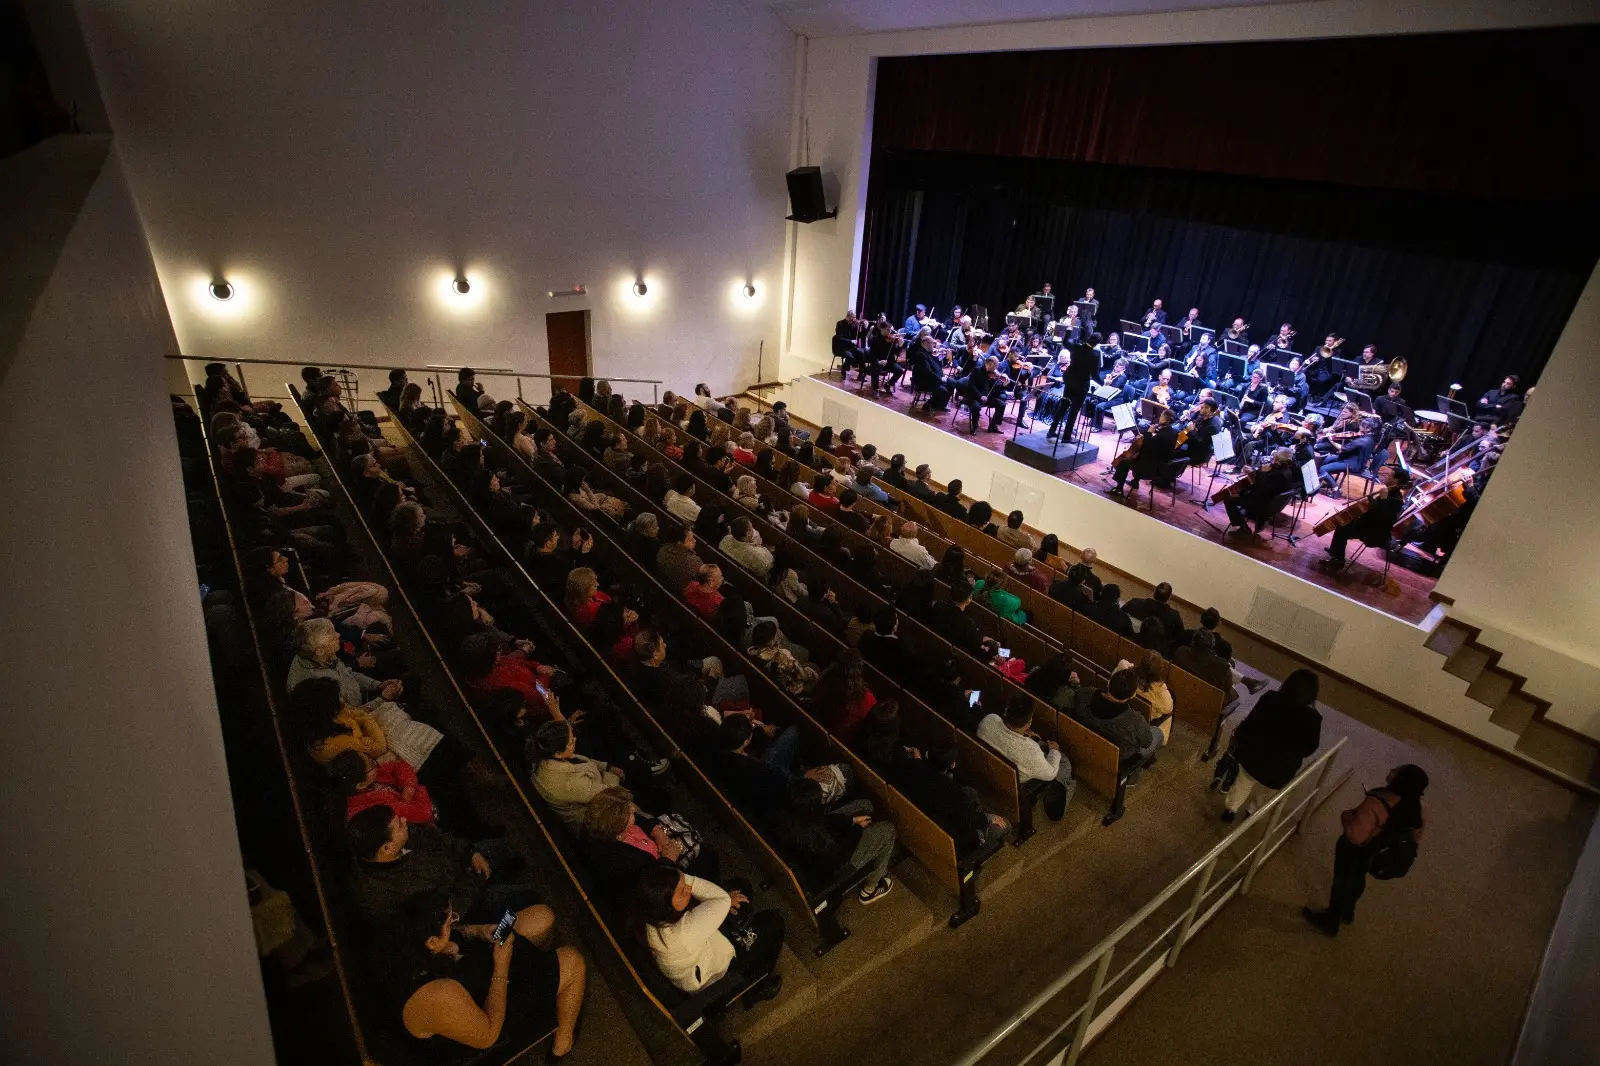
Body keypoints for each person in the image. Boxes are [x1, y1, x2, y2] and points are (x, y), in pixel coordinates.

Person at [389, 892, 585, 1059]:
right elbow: (488, 1035)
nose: (454, 922)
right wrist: (501, 965)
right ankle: (562, 1044)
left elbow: (456, 936)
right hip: (482, 1016)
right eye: (450, 922)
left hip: (476, 970)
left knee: (542, 916)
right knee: (572, 961)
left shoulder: (410, 941)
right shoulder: (435, 994)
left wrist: (477, 931)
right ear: (431, 941)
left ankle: (541, 975)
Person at [346, 805, 535, 926]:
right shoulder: (394, 889)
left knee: (500, 848)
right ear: (387, 848)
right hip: (466, 903)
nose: (404, 821)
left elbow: (438, 837)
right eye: (399, 825)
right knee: (525, 895)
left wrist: (470, 853)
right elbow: (451, 910)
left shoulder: (395, 841)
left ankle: (506, 873)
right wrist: (476, 877)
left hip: (462, 866)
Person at [1303, 764, 1429, 936]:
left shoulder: (1376, 801)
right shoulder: (1418, 807)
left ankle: (1331, 920)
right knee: (1358, 880)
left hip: (1355, 850)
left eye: (1396, 772)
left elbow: (1355, 835)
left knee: (1342, 881)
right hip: (1376, 853)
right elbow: (1416, 835)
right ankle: (1347, 912)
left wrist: (1347, 816)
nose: (1391, 770)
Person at [630, 865, 784, 1002]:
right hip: (716, 971)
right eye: (682, 890)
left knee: (741, 886)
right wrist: (722, 903)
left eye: (685, 884)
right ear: (666, 906)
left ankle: (741, 921)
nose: (688, 889)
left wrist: (679, 881)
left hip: (701, 950)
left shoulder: (649, 913)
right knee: (774, 921)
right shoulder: (682, 935)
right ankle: (755, 986)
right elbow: (722, 899)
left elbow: (719, 901)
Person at [771, 777, 896, 905]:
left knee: (865, 805)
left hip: (825, 843)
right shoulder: (814, 838)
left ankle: (873, 841)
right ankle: (870, 889)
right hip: (834, 867)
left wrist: (851, 820)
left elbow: (824, 821)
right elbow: (842, 854)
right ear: (812, 807)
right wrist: (857, 828)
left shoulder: (784, 814)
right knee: (888, 830)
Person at [1220, 669, 1323, 823]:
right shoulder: (1314, 719)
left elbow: (1250, 723)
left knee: (1242, 785)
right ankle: (1251, 811)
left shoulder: (1270, 699)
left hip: (1253, 758)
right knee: (1264, 792)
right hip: (1282, 769)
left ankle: (1230, 810)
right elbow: (1311, 747)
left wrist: (1241, 739)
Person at [977, 694, 1075, 819]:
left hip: (991, 766)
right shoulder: (1030, 750)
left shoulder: (989, 720)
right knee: (1063, 760)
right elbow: (1050, 773)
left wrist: (1024, 735)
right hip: (1017, 780)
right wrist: (1054, 751)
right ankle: (1057, 803)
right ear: (1029, 723)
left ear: (1006, 711)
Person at [530, 720, 623, 831]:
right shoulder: (569, 783)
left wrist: (606, 767)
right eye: (570, 742)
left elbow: (578, 760)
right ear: (558, 753)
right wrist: (614, 777)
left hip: (596, 788)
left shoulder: (545, 756)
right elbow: (610, 794)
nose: (575, 739)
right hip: (595, 818)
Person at [1319, 466, 1410, 571]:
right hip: (1369, 525)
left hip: (1376, 532)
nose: (1386, 476)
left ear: (1396, 480)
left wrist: (1383, 499)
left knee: (1342, 527)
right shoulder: (1389, 492)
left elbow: (1385, 518)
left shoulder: (1396, 499)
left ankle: (1338, 559)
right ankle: (1335, 552)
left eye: (1389, 475)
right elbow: (1376, 509)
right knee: (1344, 522)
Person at [1123, 582, 1183, 656]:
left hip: (1131, 643)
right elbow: (1179, 639)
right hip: (1158, 654)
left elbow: (1122, 614)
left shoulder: (1134, 604)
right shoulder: (1175, 619)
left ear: (1154, 593)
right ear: (1169, 597)